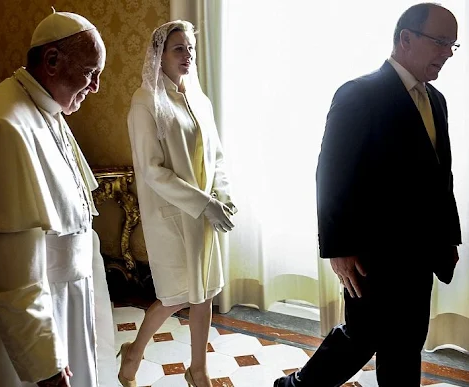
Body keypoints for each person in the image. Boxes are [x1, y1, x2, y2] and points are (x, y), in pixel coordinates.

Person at [274, 3, 462, 386]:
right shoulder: (360, 94)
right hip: (371, 254)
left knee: (407, 342)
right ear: (405, 39)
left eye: (453, 46)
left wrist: (449, 235)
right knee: (362, 338)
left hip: (421, 251)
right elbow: (331, 174)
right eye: (440, 42)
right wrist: (337, 248)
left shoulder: (436, 100)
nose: (447, 54)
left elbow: (442, 176)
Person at [0, 10, 114, 387]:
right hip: (21, 328)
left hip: (62, 301)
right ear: (51, 61)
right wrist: (45, 363)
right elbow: (10, 278)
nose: (96, 87)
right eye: (90, 72)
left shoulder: (45, 109)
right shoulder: (4, 126)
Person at [122, 20, 237, 387]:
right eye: (179, 49)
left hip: (206, 214)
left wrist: (224, 196)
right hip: (174, 215)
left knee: (203, 293)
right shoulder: (146, 102)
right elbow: (152, 170)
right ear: (160, 54)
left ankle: (198, 369)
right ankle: (135, 350)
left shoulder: (199, 98)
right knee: (175, 295)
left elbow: (216, 155)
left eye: (190, 48)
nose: (187, 55)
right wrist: (203, 203)